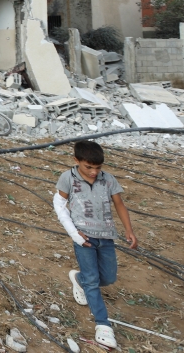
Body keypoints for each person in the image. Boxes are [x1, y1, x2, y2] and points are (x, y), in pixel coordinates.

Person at [54, 140, 138, 350]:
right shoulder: (68, 178)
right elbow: (60, 205)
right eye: (88, 167)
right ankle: (103, 325)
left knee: (108, 277)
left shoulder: (108, 180)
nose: (93, 172)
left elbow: (119, 204)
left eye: (97, 167)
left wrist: (129, 229)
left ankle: (79, 279)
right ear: (76, 161)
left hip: (106, 236)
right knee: (93, 280)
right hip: (84, 238)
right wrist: (75, 233)